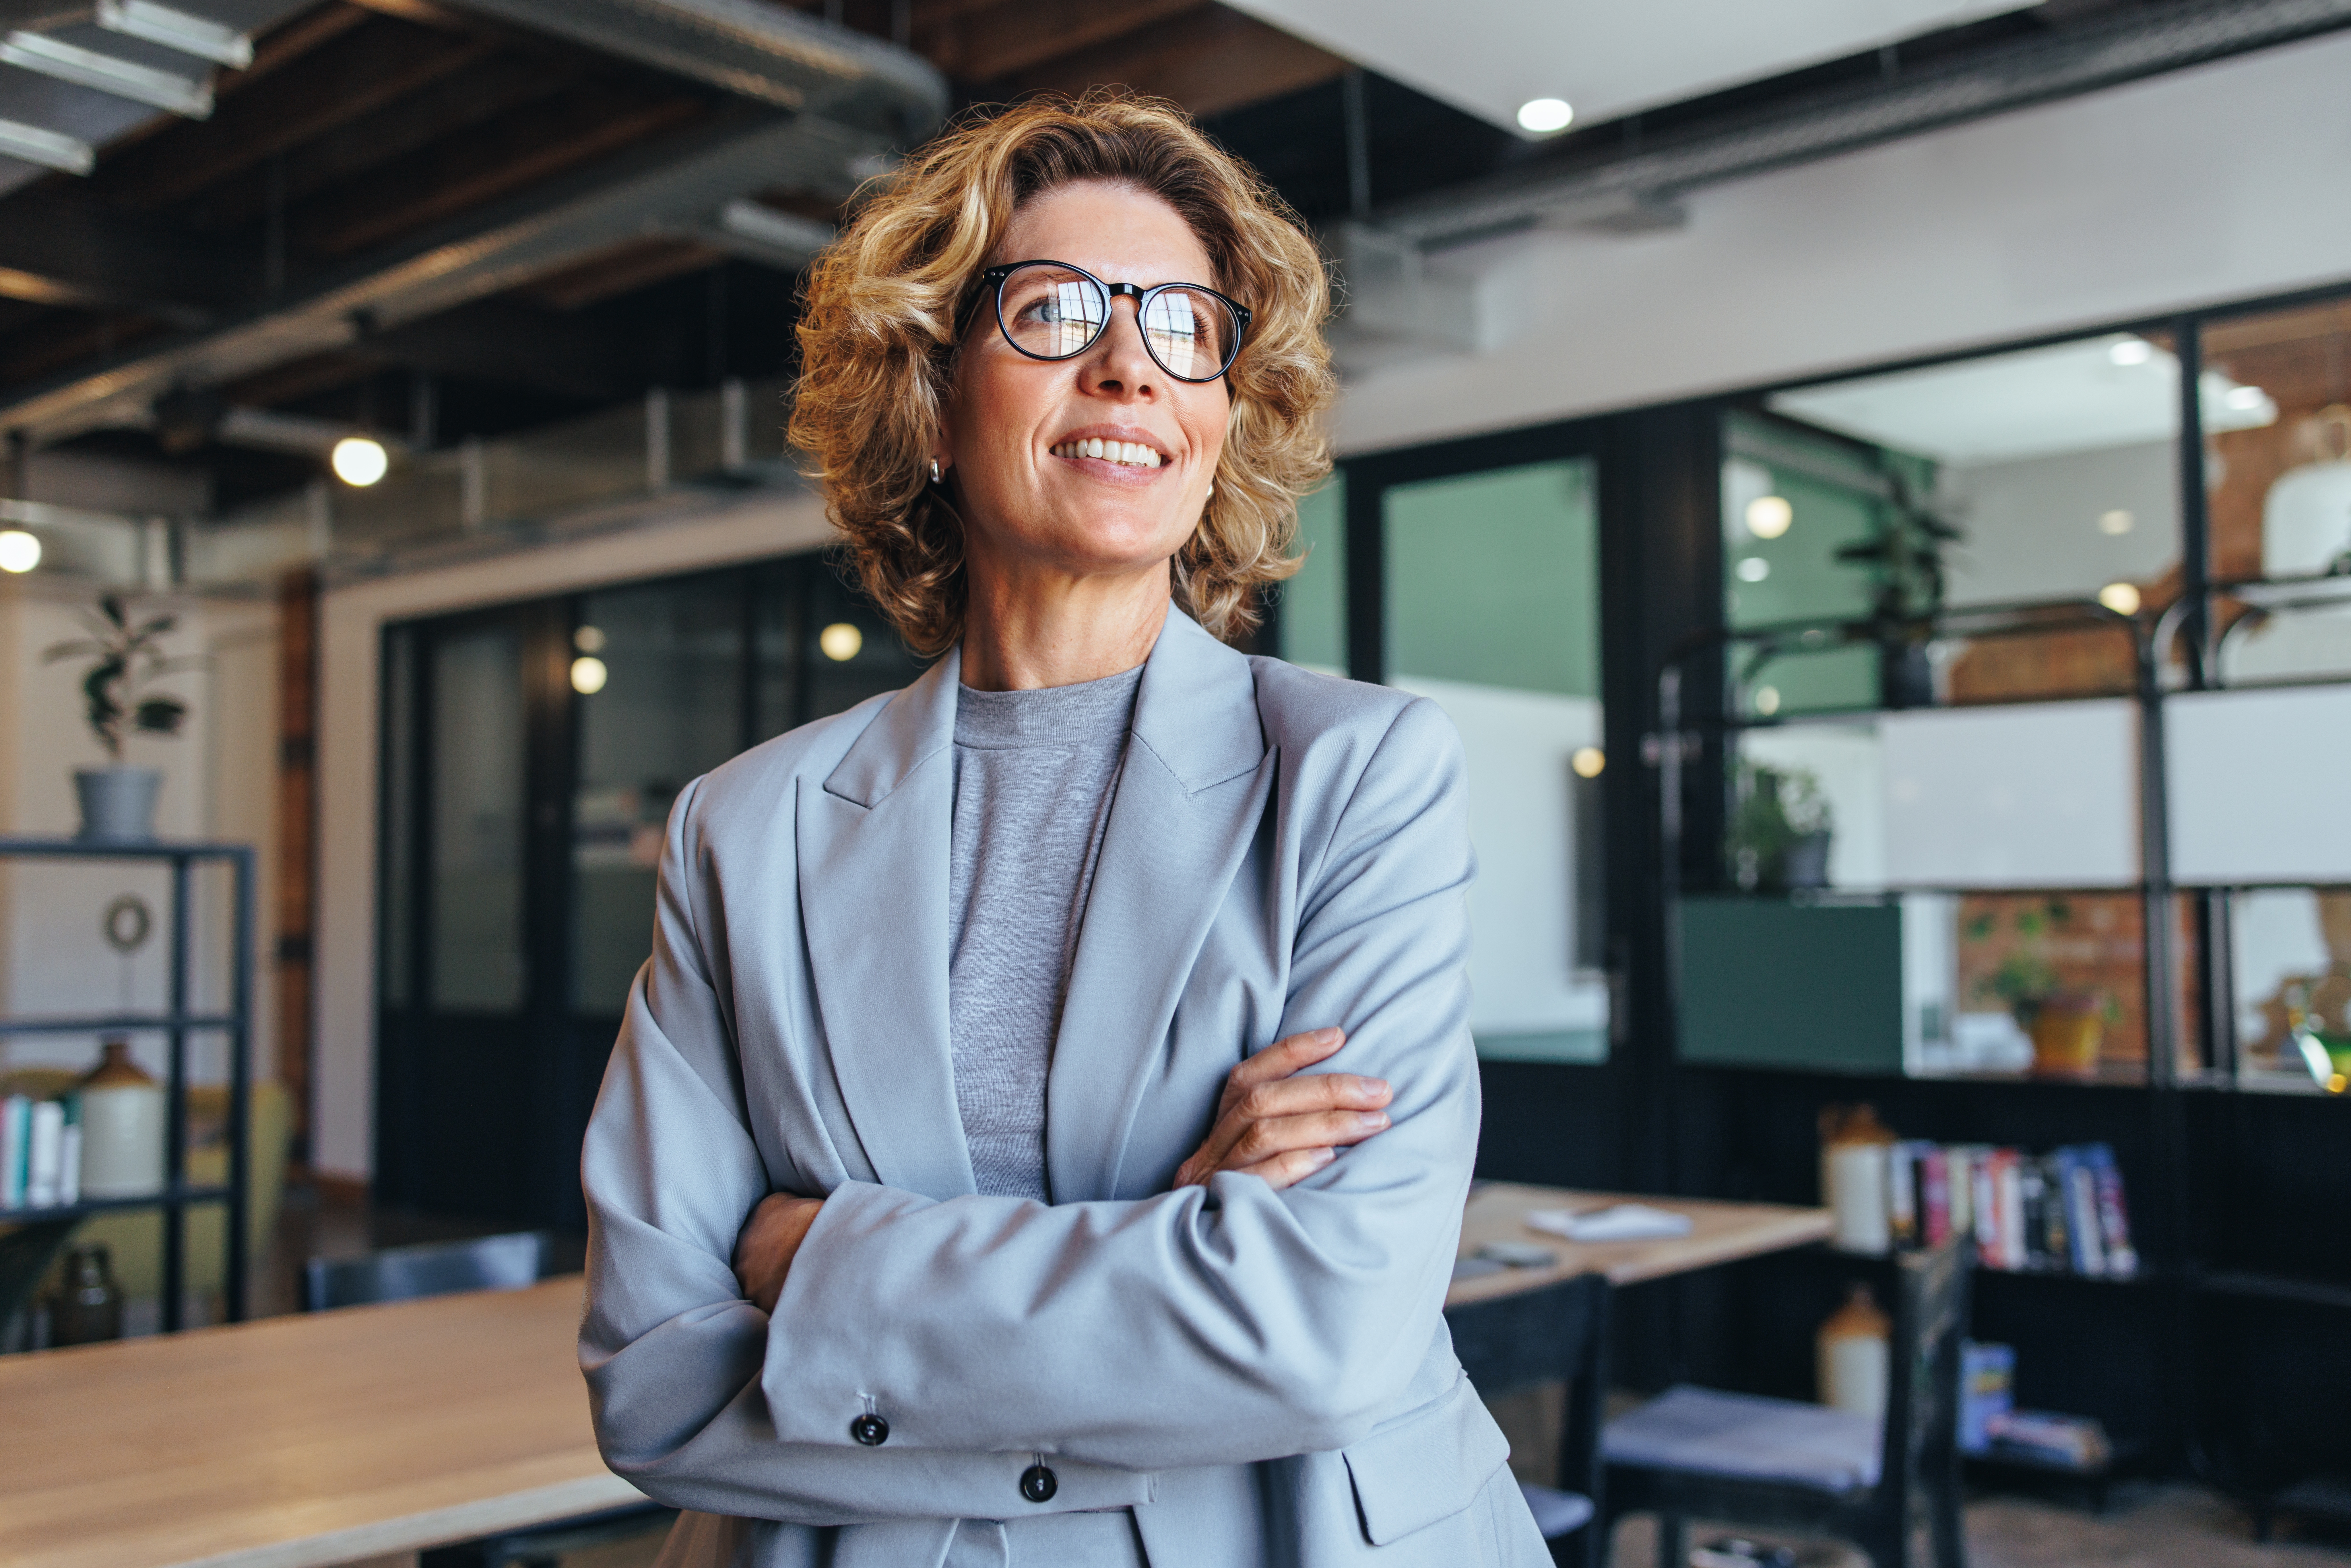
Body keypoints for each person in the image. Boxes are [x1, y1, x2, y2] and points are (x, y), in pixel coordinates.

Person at [579, 90, 1549, 1567]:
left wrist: (814, 1262)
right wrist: (1173, 1250)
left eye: (1183, 323)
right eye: (1053, 311)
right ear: (930, 385)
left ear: (1227, 410)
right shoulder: (744, 827)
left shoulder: (1358, 773)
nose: (1126, 367)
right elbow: (657, 1378)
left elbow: (1321, 1332)